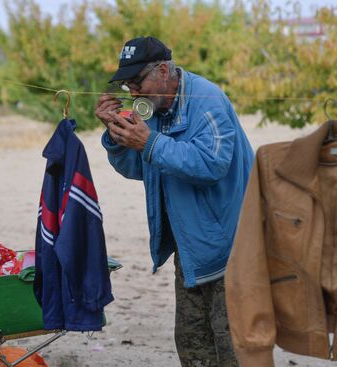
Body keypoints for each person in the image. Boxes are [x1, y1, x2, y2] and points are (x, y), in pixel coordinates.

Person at [95, 36, 254, 367]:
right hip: (191, 246)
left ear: (164, 70)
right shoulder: (155, 109)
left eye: (137, 82)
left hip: (233, 245)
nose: (134, 93)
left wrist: (149, 142)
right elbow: (143, 167)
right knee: (193, 345)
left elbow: (212, 164)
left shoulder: (206, 99)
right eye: (127, 86)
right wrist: (117, 137)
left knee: (234, 347)